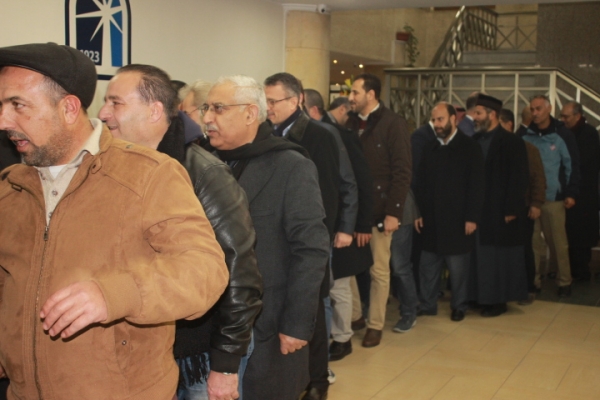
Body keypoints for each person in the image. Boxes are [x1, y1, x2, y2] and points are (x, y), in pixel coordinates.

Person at [0, 42, 228, 400]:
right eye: (1, 106)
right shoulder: (10, 188)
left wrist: (116, 294)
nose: (4, 122)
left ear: (68, 108)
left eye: (18, 106)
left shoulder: (149, 175)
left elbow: (205, 271)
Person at [98, 64, 263, 400]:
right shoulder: (113, 169)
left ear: (154, 111)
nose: (103, 113)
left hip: (200, 353)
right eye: (105, 102)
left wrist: (226, 362)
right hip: (145, 352)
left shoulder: (204, 173)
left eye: (116, 103)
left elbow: (239, 269)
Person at [203, 75, 330, 400]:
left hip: (268, 325)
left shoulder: (290, 165)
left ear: (249, 113)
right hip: (208, 324)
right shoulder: (202, 163)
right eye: (206, 108)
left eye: (218, 108)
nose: (207, 118)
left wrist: (297, 324)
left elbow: (311, 250)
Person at [264, 74, 342, 400]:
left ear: (296, 100)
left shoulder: (319, 136)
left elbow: (329, 193)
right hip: (278, 238)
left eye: (274, 101)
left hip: (308, 237)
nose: (268, 108)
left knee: (314, 312)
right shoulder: (266, 134)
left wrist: (321, 238)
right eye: (265, 101)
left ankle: (318, 381)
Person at [305, 88, 374, 362]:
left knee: (339, 285)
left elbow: (356, 182)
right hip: (330, 225)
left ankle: (343, 338)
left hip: (340, 225)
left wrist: (353, 226)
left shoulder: (335, 135)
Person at [346, 73, 412, 347]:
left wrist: (394, 212)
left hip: (381, 209)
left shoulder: (393, 123)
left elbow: (402, 171)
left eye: (355, 92)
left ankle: (375, 324)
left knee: (379, 271)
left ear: (371, 94)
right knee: (346, 267)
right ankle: (355, 315)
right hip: (353, 210)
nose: (350, 97)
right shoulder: (350, 122)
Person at [415, 102, 485, 321]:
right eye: (434, 120)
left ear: (454, 119)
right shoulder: (430, 147)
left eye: (441, 119)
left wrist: (472, 217)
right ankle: (428, 304)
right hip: (431, 220)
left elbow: (476, 185)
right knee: (428, 266)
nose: (437, 124)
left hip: (458, 221)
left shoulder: (470, 147)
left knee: (458, 270)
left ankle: (459, 305)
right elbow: (420, 184)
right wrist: (418, 212)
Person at [469, 94, 529, 317]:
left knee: (498, 258)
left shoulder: (512, 142)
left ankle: (497, 301)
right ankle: (478, 296)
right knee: (479, 256)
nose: (474, 117)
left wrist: (512, 209)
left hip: (500, 211)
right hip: (478, 210)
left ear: (492, 115)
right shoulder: (474, 140)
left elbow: (519, 178)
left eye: (478, 113)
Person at [522, 95, 581, 296]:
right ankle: (533, 281)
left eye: (538, 109)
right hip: (531, 199)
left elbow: (572, 165)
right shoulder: (525, 135)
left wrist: (571, 192)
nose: (535, 113)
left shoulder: (563, 135)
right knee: (532, 243)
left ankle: (564, 281)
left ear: (549, 109)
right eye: (532, 109)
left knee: (558, 242)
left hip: (553, 198)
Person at [500, 108, 546, 304]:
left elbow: (538, 178)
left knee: (524, 248)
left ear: (509, 125)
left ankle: (528, 287)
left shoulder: (527, 148)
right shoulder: (494, 147)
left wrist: (536, 203)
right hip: (499, 208)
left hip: (523, 206)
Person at [560, 101, 600, 281]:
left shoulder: (588, 134)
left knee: (581, 236)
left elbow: (581, 162)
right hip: (572, 191)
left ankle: (580, 270)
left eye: (566, 116)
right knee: (569, 233)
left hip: (584, 195)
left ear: (577, 116)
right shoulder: (566, 133)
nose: (563, 120)